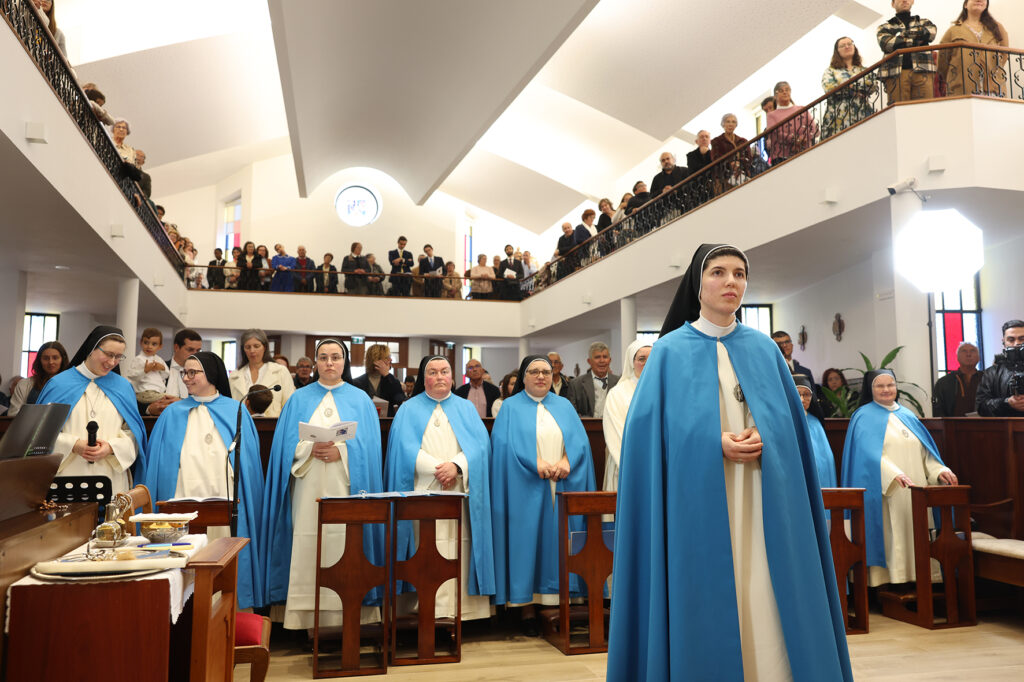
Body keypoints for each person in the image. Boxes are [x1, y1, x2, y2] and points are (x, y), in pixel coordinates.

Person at [608, 244, 852, 681]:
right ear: (698, 286)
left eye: (739, 274)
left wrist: (767, 433)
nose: (731, 282)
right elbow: (647, 439)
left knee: (766, 587)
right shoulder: (668, 352)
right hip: (699, 500)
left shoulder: (763, 349)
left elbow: (789, 424)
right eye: (718, 273)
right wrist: (711, 442)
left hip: (763, 496)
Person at [262, 339, 383, 624]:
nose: (330, 362)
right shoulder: (298, 399)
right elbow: (283, 447)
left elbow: (370, 450)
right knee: (308, 539)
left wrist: (341, 451)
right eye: (324, 357)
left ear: (344, 362)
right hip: (307, 486)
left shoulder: (361, 399)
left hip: (347, 487)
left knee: (344, 541)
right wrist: (308, 448)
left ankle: (351, 614)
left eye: (336, 357)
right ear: (316, 363)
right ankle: (305, 619)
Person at [144, 352, 265, 609]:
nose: (186, 378)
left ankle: (225, 608)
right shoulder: (172, 413)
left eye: (192, 373)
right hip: (181, 493)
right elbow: (158, 464)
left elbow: (249, 466)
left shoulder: (236, 410)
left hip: (223, 494)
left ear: (211, 374)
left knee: (219, 549)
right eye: (183, 373)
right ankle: (181, 609)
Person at [490, 355, 595, 633]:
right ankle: (526, 607)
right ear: (523, 377)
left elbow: (580, 443)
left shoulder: (565, 406)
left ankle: (564, 601)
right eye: (534, 372)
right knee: (527, 541)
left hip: (562, 482)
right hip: (526, 483)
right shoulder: (510, 407)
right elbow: (502, 446)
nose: (541, 377)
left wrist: (567, 461)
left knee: (562, 539)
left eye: (546, 372)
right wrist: (532, 462)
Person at [385, 356, 495, 621]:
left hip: (459, 491)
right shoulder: (409, 409)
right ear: (425, 379)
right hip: (422, 491)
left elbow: (481, 447)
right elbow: (402, 449)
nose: (440, 377)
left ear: (453, 377)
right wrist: (437, 468)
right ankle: (423, 610)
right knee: (424, 546)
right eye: (433, 372)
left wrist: (456, 466)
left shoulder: (466, 408)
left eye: (445, 371)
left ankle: (461, 611)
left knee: (458, 546)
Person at [841, 370, 958, 587]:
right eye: (880, 386)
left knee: (917, 533)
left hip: (916, 492)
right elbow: (867, 454)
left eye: (890, 385)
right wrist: (893, 474)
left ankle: (919, 581)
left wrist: (938, 470)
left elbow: (926, 454)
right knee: (891, 533)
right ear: (871, 389)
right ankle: (890, 582)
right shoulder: (863, 416)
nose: (886, 390)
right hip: (888, 491)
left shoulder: (908, 415)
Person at [37, 326, 148, 496]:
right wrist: (73, 444)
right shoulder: (59, 384)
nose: (112, 362)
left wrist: (112, 447)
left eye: (118, 356)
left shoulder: (123, 387)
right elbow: (40, 433)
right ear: (91, 349)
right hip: (67, 476)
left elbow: (133, 433)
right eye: (108, 354)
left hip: (111, 477)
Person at [602, 340, 651, 493]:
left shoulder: (666, 390)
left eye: (652, 357)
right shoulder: (617, 394)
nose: (647, 363)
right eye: (641, 359)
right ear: (632, 362)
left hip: (658, 467)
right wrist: (636, 468)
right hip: (626, 467)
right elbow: (617, 436)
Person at [938, 0, 1009, 97]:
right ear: (966, 4)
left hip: (993, 90)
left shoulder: (997, 28)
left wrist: (993, 73)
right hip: (962, 90)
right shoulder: (953, 31)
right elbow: (943, 62)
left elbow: (1005, 54)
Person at [877, 0, 937, 105]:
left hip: (923, 71)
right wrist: (917, 38)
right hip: (896, 74)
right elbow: (887, 44)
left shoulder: (925, 22)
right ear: (892, 4)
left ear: (912, 1)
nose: (904, 0)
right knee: (899, 113)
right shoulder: (884, 27)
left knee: (925, 110)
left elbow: (931, 33)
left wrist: (901, 36)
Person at [229, 329, 295, 418]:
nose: (252, 351)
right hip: (242, 427)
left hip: (272, 426)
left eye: (256, 346)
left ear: (264, 347)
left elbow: (290, 406)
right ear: (243, 349)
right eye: (248, 347)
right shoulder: (235, 375)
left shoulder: (280, 371)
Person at [822, 37, 878, 138]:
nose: (847, 47)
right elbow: (830, 88)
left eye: (849, 44)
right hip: (839, 118)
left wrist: (850, 86)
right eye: (843, 45)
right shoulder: (831, 71)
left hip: (863, 114)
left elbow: (873, 85)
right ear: (837, 51)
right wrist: (856, 91)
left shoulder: (863, 70)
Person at [795, 374, 837, 489]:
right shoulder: (785, 423)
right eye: (797, 394)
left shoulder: (815, 422)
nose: (802, 399)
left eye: (806, 395)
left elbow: (826, 459)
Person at [8, 341, 69, 417]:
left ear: (63, 359)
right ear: (39, 361)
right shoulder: (25, 384)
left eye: (55, 358)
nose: (50, 362)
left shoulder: (71, 385)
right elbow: (13, 414)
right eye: (46, 358)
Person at [976, 319, 1024, 416]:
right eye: (1011, 340)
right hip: (1005, 428)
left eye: (1022, 339)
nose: (1017, 344)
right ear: (1004, 342)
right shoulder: (992, 373)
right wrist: (1006, 403)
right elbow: (981, 406)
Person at [765, 82, 819, 164]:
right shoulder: (771, 115)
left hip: (806, 152)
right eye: (781, 90)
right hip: (782, 158)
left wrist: (803, 139)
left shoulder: (801, 109)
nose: (785, 92)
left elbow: (813, 128)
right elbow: (776, 133)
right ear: (775, 96)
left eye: (787, 89)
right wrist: (795, 139)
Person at [351, 343, 407, 417]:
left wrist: (387, 375)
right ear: (376, 360)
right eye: (387, 357)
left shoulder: (392, 380)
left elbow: (399, 400)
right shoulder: (357, 382)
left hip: (386, 424)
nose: (390, 360)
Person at [568, 342, 618, 418]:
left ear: (610, 360)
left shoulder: (619, 382)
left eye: (605, 357)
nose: (602, 360)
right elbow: (571, 412)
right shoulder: (576, 384)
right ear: (589, 361)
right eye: (597, 357)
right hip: (587, 428)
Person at [123, 327, 169, 407]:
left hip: (158, 392)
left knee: (171, 401)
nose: (149, 346)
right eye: (146, 343)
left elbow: (166, 375)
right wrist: (145, 371)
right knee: (170, 400)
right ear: (141, 342)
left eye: (154, 344)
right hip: (144, 393)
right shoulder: (138, 359)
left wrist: (162, 368)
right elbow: (131, 376)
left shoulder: (159, 360)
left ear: (160, 346)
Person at [932, 341, 981, 417]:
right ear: (957, 357)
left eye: (972, 351)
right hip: (953, 426)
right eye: (964, 351)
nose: (968, 354)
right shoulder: (944, 382)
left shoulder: (987, 379)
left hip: (984, 425)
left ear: (979, 358)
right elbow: (938, 410)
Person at [710, 114, 750, 183]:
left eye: (733, 122)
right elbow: (715, 159)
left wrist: (739, 163)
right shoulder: (716, 141)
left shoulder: (743, 141)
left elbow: (749, 157)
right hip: (724, 177)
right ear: (723, 124)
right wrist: (731, 163)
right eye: (728, 122)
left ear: (736, 125)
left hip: (743, 175)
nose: (730, 124)